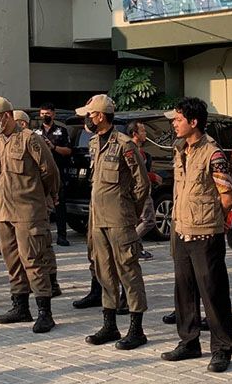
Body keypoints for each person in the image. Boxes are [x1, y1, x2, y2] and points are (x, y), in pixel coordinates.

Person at [161, 97, 232, 372]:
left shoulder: (212, 154)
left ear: (194, 122)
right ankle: (189, 341)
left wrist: (213, 220)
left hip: (205, 234)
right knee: (184, 291)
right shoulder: (180, 149)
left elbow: (227, 196)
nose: (174, 123)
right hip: (181, 229)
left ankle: (222, 348)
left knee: (213, 293)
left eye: (178, 119)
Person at [76, 95, 151, 350]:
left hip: (120, 218)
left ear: (100, 116)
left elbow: (142, 183)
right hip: (98, 219)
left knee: (128, 270)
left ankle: (136, 329)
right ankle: (109, 325)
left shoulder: (124, 144)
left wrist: (131, 211)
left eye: (90, 114)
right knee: (104, 271)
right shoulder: (94, 142)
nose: (87, 119)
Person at [0, 97, 60, 333]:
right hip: (4, 212)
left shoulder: (29, 138)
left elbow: (49, 171)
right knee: (12, 261)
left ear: (7, 116)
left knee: (33, 261)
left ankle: (45, 312)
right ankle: (20, 306)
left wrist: (42, 197)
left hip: (29, 211)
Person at [33, 103, 72, 247]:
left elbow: (68, 151)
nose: (45, 116)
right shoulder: (35, 132)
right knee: (42, 206)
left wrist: (53, 147)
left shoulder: (61, 131)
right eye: (42, 114)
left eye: (48, 114)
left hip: (57, 172)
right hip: (40, 174)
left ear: (53, 114)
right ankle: (44, 235)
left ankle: (62, 236)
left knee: (59, 205)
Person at [127, 122, 156, 260]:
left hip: (143, 189)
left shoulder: (140, 150)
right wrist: (152, 176)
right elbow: (134, 172)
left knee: (139, 220)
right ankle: (129, 243)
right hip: (139, 190)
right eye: (143, 131)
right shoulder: (131, 150)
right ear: (135, 134)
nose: (145, 133)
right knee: (148, 220)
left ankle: (137, 249)